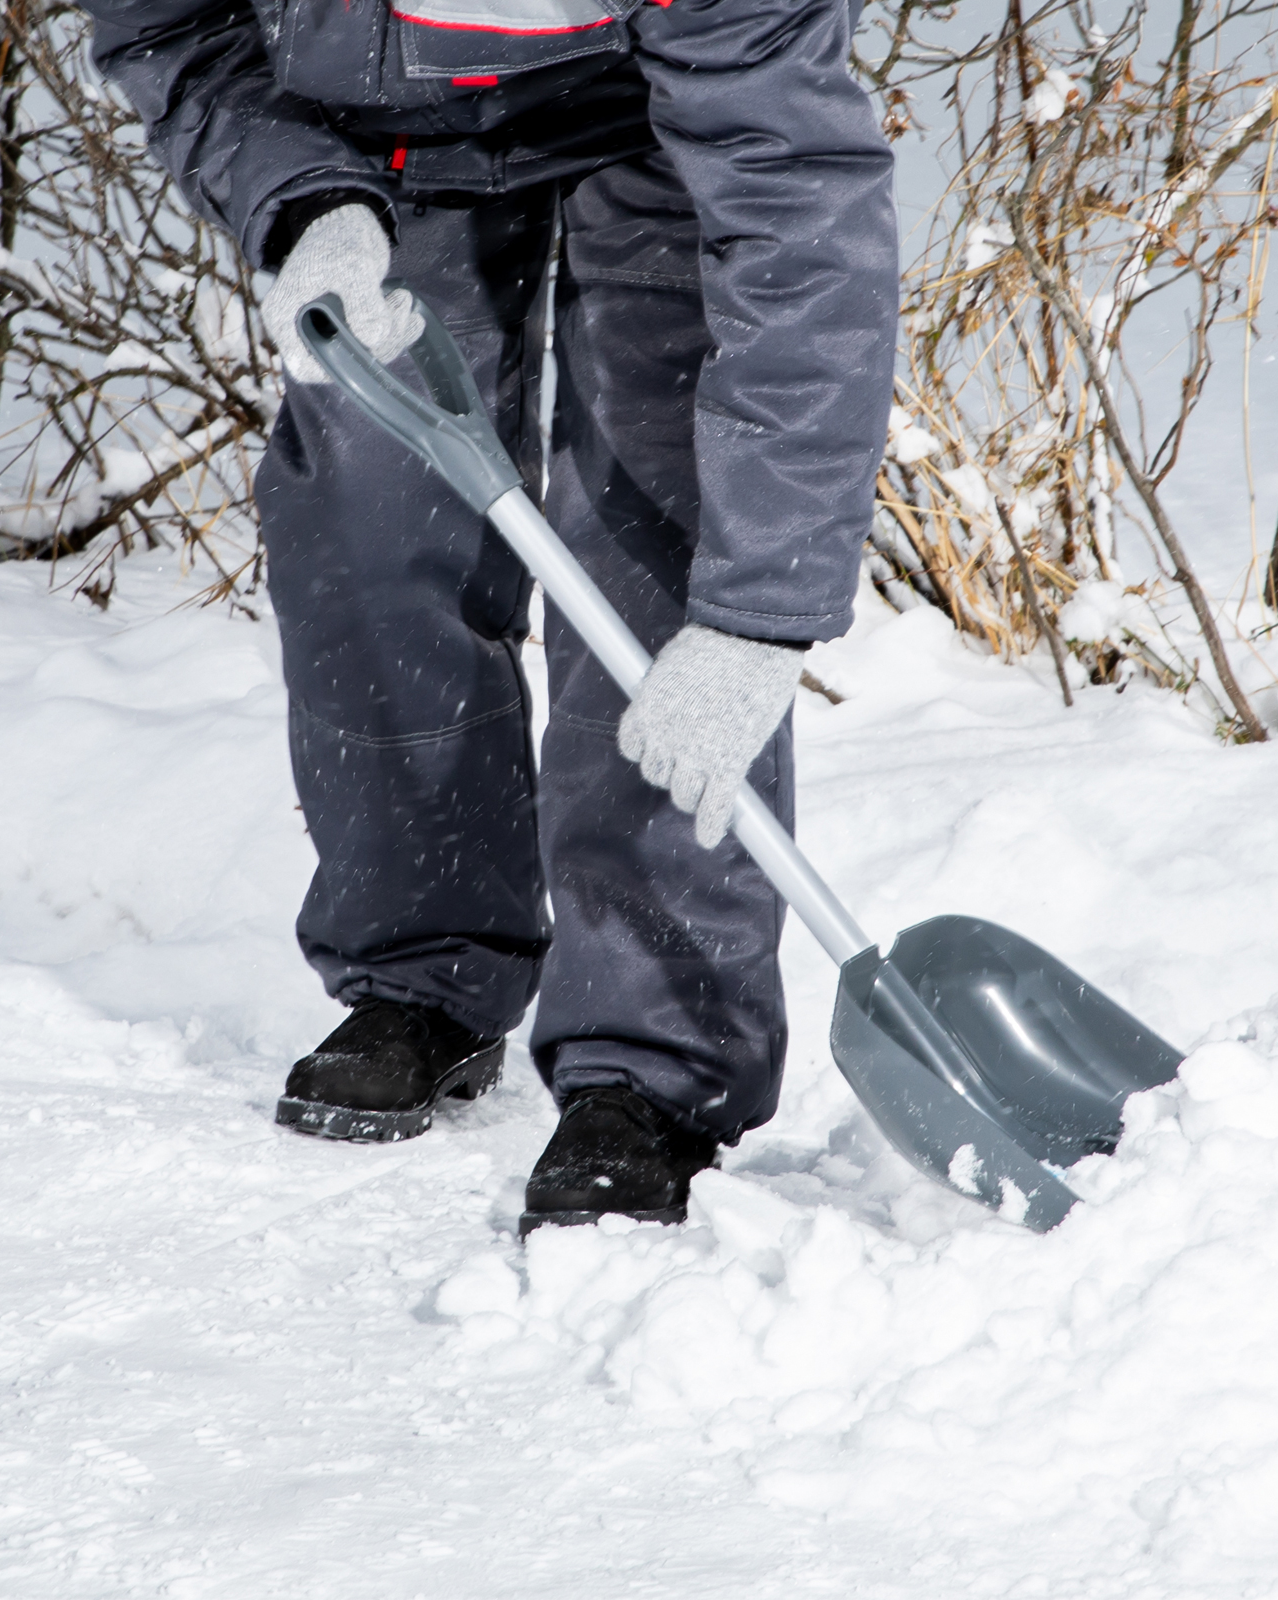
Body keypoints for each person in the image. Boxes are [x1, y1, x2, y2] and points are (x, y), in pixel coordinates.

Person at [80, 0, 898, 1234]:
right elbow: (170, 28)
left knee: (655, 548)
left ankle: (649, 1062)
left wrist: (757, 618)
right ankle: (424, 972)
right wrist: (300, 195)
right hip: (371, 142)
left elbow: (794, 202)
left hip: (665, 125)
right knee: (365, 529)